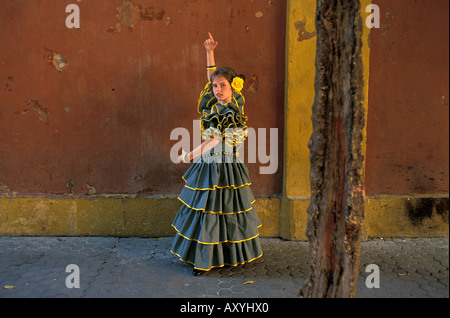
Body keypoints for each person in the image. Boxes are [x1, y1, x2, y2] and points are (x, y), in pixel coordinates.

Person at [170, 33, 263, 276]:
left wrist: (190, 155)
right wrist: (209, 52)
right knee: (209, 210)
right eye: (215, 86)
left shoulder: (232, 107)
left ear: (233, 86)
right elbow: (211, 76)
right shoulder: (217, 101)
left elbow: (215, 139)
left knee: (224, 210)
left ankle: (226, 255)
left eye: (223, 85)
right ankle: (205, 258)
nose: (218, 90)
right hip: (214, 162)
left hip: (223, 163)